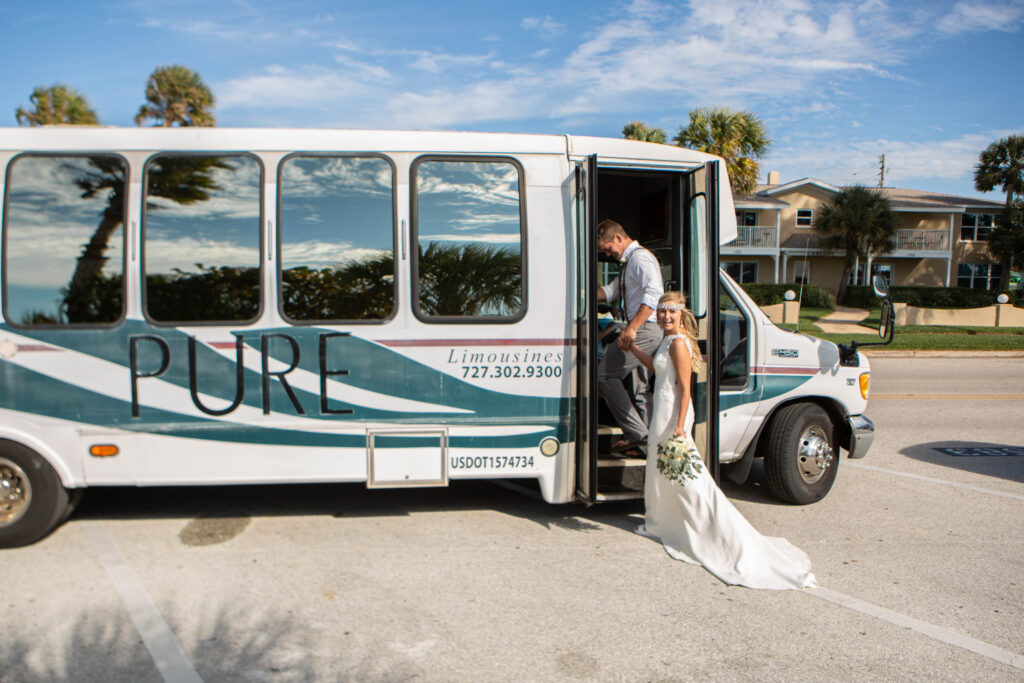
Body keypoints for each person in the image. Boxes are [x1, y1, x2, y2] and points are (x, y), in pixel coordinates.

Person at [625, 291, 817, 590]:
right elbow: (655, 367)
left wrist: (679, 428)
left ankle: (709, 528)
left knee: (688, 478)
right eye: (661, 312)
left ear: (681, 314)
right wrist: (633, 349)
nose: (664, 317)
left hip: (672, 416)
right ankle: (658, 522)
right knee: (661, 470)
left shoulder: (678, 343)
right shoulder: (668, 340)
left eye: (670, 312)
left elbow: (686, 390)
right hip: (661, 413)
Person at [596, 219, 663, 454]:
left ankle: (639, 434)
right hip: (642, 328)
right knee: (639, 391)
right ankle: (652, 449)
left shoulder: (640, 258)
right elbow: (610, 291)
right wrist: (579, 295)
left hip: (644, 328)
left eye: (607, 248)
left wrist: (632, 327)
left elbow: (655, 293)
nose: (607, 253)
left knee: (604, 375)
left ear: (618, 238)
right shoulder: (627, 264)